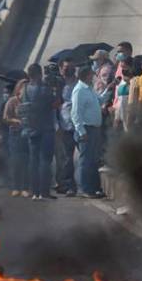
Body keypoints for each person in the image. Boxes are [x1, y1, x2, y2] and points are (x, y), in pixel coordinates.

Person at [21, 63, 58, 201]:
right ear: (39, 74)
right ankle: (44, 191)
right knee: (45, 161)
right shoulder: (45, 89)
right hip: (46, 128)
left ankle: (34, 191)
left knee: (33, 160)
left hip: (31, 128)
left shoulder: (25, 89)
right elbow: (54, 104)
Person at [71, 66, 103, 198]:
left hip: (94, 129)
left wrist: (108, 90)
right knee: (85, 160)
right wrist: (81, 131)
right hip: (86, 129)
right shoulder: (79, 91)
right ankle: (85, 189)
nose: (93, 77)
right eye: (91, 75)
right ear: (85, 76)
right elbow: (75, 113)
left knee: (93, 160)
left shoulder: (89, 89)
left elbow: (99, 100)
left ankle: (94, 187)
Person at [2, 80, 29, 197]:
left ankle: (25, 187)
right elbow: (5, 117)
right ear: (19, 89)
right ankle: (16, 187)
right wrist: (16, 121)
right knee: (16, 161)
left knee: (27, 162)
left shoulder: (30, 102)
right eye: (24, 88)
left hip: (28, 134)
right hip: (15, 134)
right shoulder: (12, 101)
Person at [55, 57, 77, 196]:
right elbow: (55, 105)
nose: (68, 70)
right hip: (64, 125)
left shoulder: (78, 83)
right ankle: (67, 185)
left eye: (71, 67)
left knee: (79, 158)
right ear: (60, 69)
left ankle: (73, 185)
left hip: (79, 124)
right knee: (66, 157)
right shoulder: (58, 85)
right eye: (65, 67)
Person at [112, 57, 134, 133]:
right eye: (122, 68)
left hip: (131, 118)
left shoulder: (135, 81)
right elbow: (120, 101)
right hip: (122, 118)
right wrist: (116, 118)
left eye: (125, 67)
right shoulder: (122, 83)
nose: (123, 70)